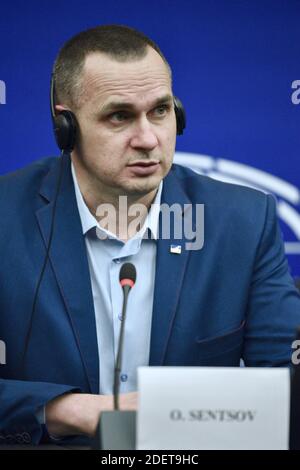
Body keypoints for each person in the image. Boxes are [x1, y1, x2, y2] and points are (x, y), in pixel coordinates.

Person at [0, 24, 299, 446]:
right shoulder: (5, 218)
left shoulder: (244, 222)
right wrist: (68, 410)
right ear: (65, 127)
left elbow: (287, 385)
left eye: (160, 111)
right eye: (119, 116)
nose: (148, 139)